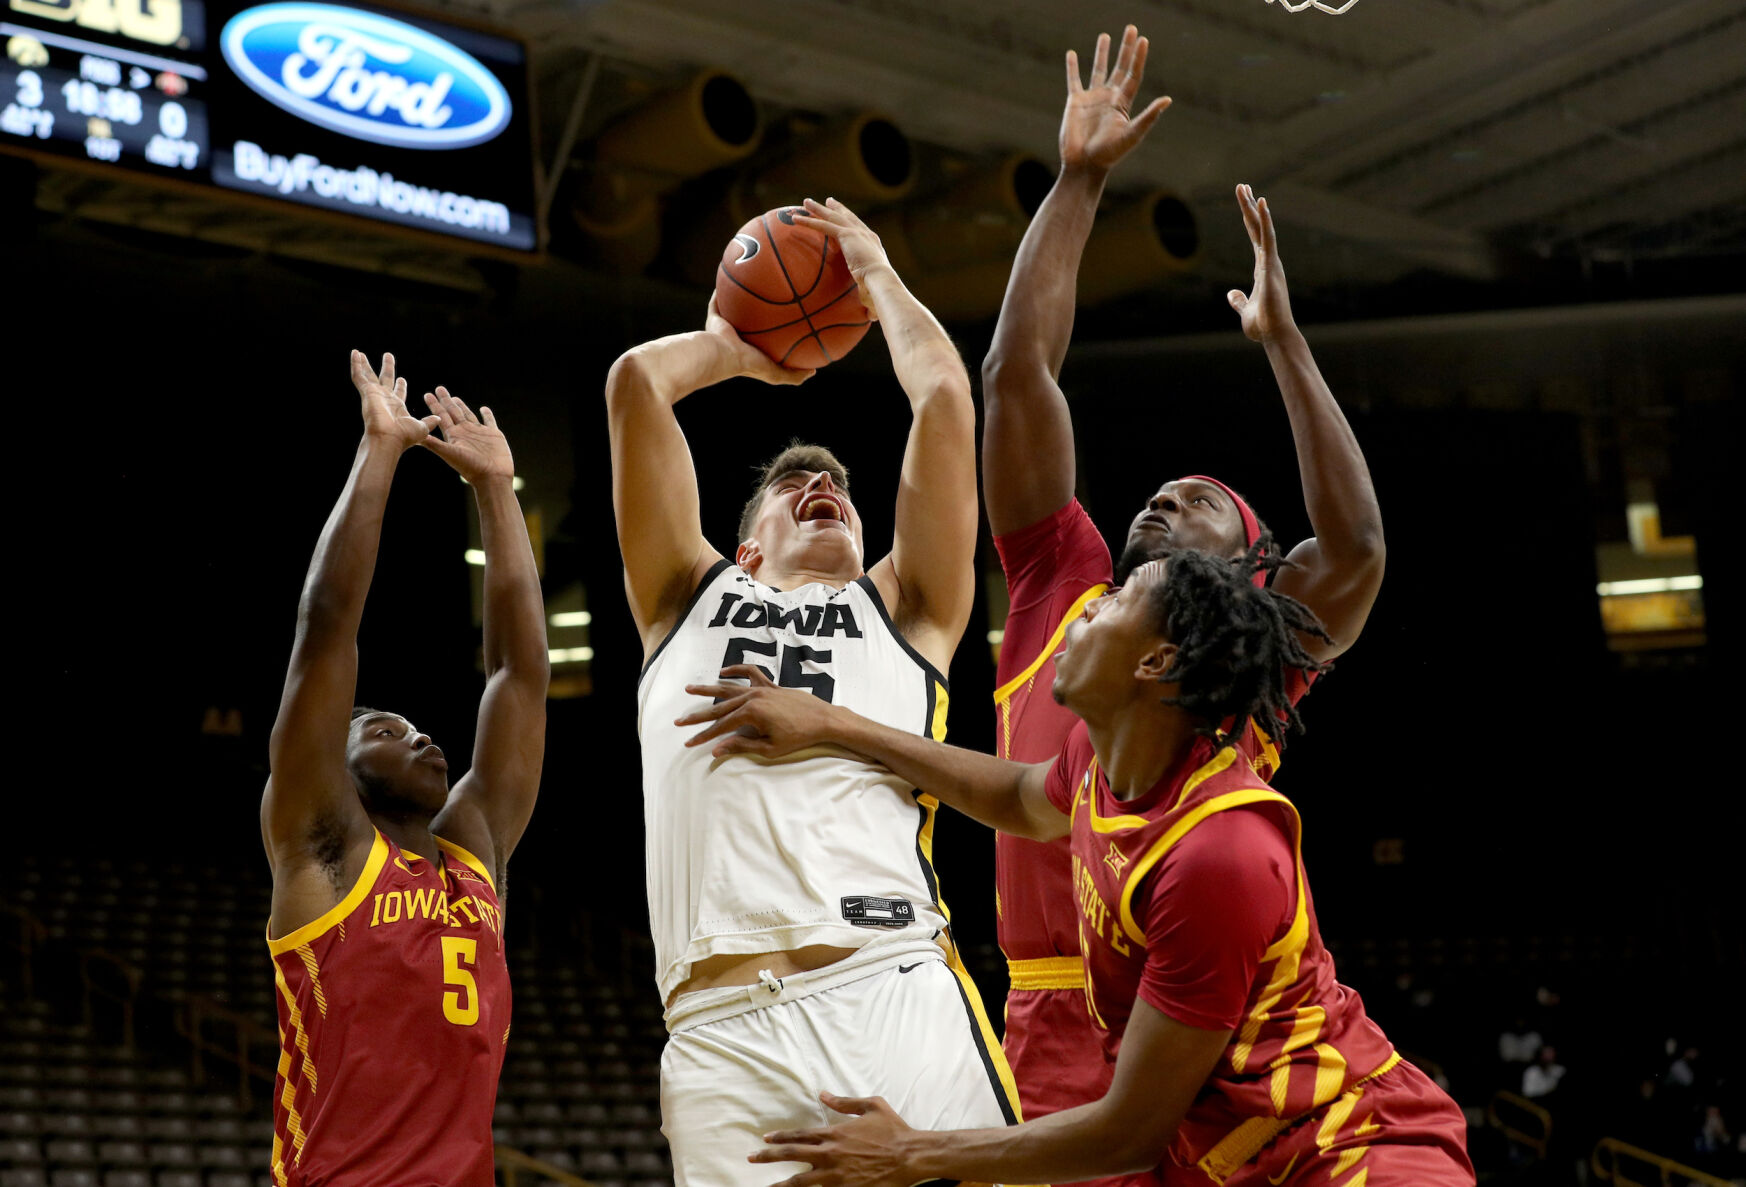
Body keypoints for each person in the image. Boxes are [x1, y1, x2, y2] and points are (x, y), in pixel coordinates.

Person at [678, 548, 1471, 1187]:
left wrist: (910, 1151)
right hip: (1228, 1154)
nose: (1087, 605)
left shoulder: (1216, 854)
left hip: (1350, 1144)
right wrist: (834, 723)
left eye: (1115, 601)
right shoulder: (1107, 752)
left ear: (1154, 662)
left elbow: (1128, 1129)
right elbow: (1023, 797)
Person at [979, 24, 1385, 1144]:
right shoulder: (1063, 576)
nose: (1159, 501)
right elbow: (1016, 378)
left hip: (1204, 1014)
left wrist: (1286, 343)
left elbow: (1351, 552)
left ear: (1253, 568)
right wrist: (1077, 180)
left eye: (1196, 498)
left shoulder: (1247, 656)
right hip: (1047, 998)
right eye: (1153, 493)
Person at [605, 197, 1018, 1187]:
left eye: (835, 484)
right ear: (746, 546)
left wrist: (874, 275)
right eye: (793, 487)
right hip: (717, 1027)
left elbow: (947, 405)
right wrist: (740, 349)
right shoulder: (687, 595)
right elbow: (636, 386)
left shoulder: (907, 609)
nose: (820, 483)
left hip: (890, 981)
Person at [261, 353, 548, 1187]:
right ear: (339, 773)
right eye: (386, 730)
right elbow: (325, 630)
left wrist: (497, 490)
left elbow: (519, 677)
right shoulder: (326, 852)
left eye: (421, 727)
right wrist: (380, 451)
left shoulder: (473, 856)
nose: (423, 738)